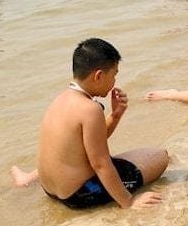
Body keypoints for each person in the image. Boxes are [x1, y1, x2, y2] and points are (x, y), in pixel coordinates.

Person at [9, 39, 168, 209]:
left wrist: (115, 115)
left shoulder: (61, 98)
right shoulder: (90, 109)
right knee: (159, 157)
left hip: (50, 189)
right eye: (114, 74)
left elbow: (90, 141)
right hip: (79, 195)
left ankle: (28, 179)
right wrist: (128, 201)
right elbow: (100, 164)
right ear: (98, 76)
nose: (115, 80)